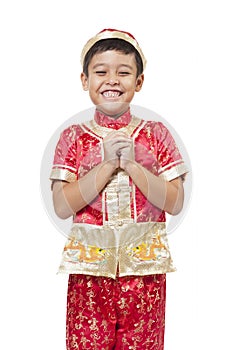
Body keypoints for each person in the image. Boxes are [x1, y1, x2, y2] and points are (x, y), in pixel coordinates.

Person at [50, 28, 188, 350]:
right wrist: (107, 165)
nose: (112, 80)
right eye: (101, 72)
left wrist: (133, 165)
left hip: (145, 276)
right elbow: (60, 206)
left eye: (123, 72)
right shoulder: (73, 138)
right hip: (89, 274)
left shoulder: (156, 134)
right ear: (85, 80)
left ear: (138, 82)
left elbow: (175, 201)